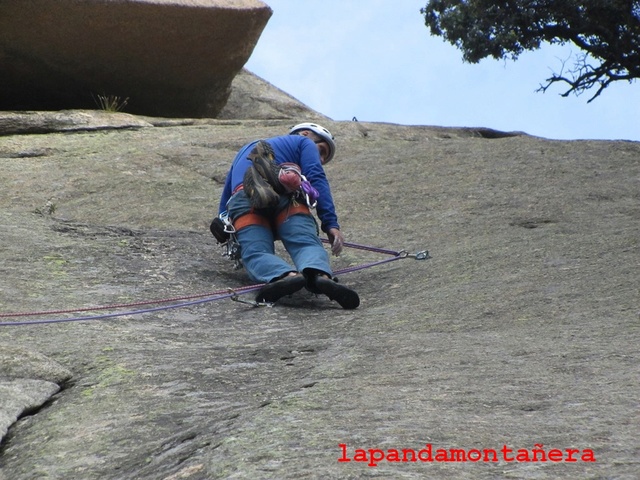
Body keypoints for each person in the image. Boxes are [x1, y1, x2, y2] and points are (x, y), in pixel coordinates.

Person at [216, 122, 360, 309]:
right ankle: (319, 276)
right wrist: (331, 224)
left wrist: (222, 221)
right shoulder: (303, 142)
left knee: (254, 251)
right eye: (322, 151)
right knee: (304, 241)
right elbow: (316, 177)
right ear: (306, 133)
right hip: (288, 198)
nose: (321, 159)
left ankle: (285, 277)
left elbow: (227, 196)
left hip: (245, 199)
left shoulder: (243, 152)